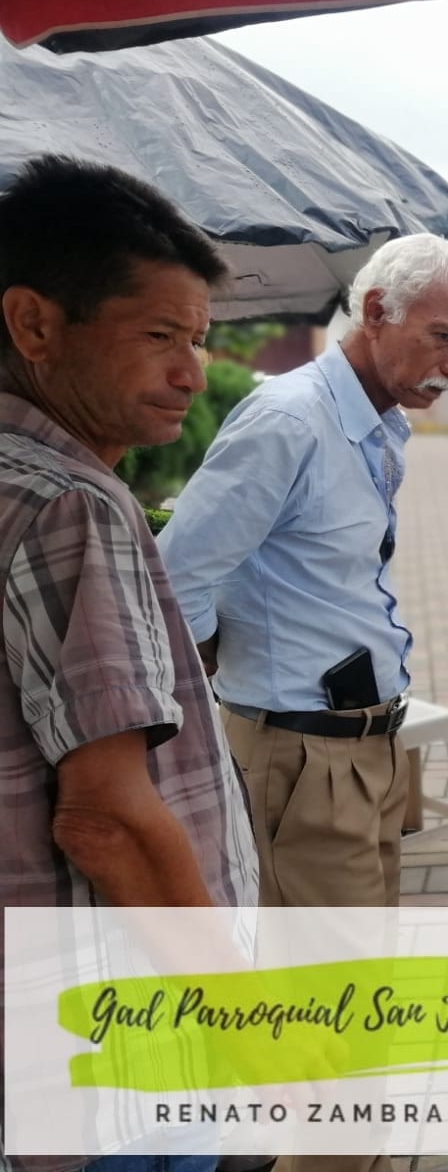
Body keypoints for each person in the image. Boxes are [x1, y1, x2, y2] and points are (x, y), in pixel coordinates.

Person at [0, 155, 258, 1172]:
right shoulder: (70, 506)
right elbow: (103, 818)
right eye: (159, 336)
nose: (192, 373)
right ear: (34, 324)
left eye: (198, 341)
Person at [159, 234, 448, 922]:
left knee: (360, 967)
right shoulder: (290, 421)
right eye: (443, 337)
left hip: (365, 747)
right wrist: (216, 651)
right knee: (326, 979)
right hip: (305, 755)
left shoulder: (380, 423)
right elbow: (176, 573)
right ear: (375, 311)